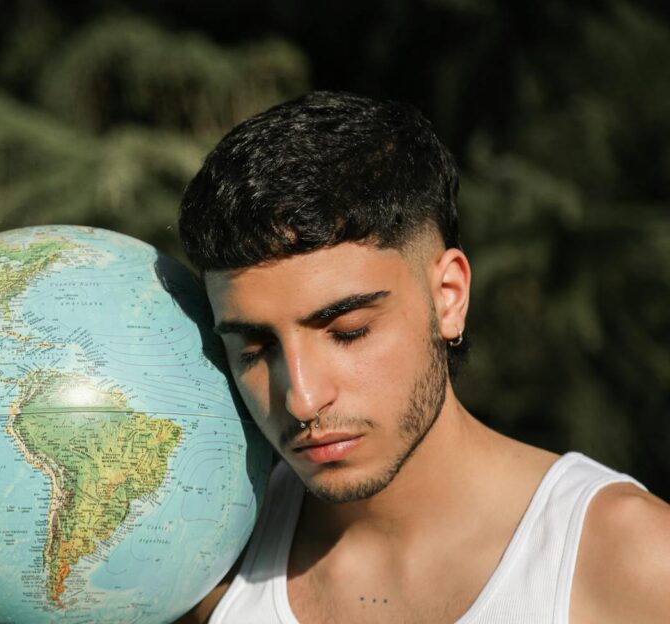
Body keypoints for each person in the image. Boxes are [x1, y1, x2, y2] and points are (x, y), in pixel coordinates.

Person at [175, 91, 670, 623]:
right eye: (254, 349)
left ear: (448, 297)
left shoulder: (628, 559)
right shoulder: (201, 562)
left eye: (348, 332)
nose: (302, 399)